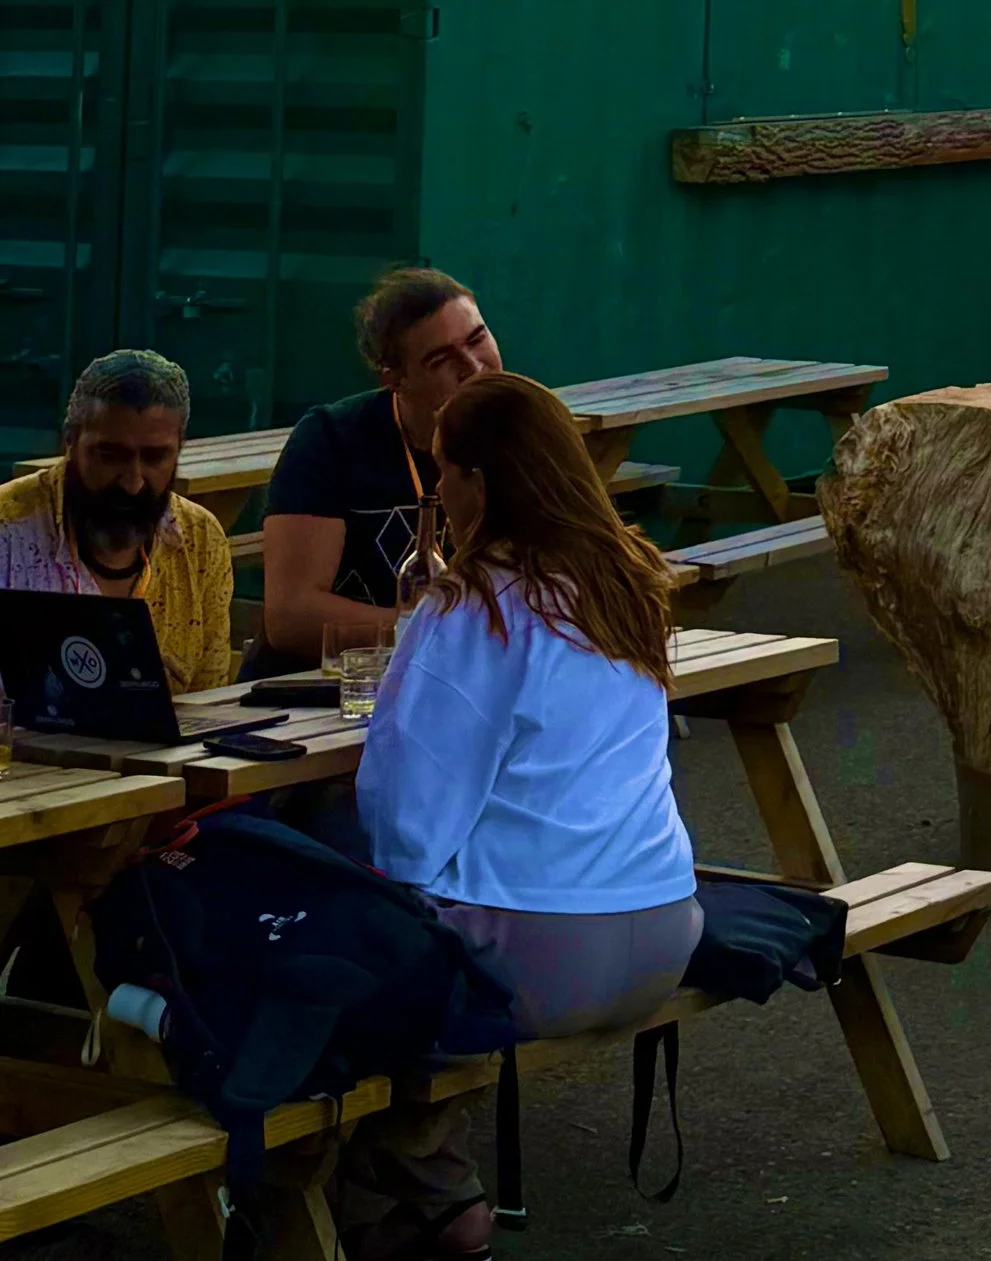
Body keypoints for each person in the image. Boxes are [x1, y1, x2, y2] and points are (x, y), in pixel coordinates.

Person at [347, 373, 696, 1260]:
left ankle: (425, 1193)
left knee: (350, 934)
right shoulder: (630, 586)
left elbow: (406, 824)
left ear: (482, 483)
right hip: (664, 928)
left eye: (443, 471)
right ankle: (412, 1188)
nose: (437, 493)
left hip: (541, 953)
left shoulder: (474, 607)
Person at [257, 269, 502, 663]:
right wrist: (435, 635)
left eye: (478, 339)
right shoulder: (332, 438)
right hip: (324, 690)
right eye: (440, 360)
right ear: (395, 378)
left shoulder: (521, 434)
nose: (473, 367)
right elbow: (291, 616)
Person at [0, 349, 234, 692]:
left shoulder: (201, 539)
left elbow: (210, 703)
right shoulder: (8, 530)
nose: (133, 481)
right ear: (69, 443)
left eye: (155, 457)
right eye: (110, 456)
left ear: (180, 449)